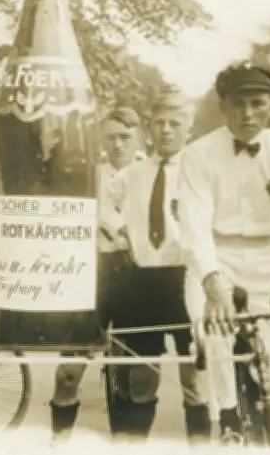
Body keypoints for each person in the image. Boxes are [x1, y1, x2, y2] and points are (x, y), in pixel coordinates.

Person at [179, 61, 270, 444]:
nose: (248, 113)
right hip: (215, 260)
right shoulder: (198, 155)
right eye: (238, 104)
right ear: (223, 107)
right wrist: (213, 285)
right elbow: (193, 223)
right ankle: (227, 432)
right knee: (218, 362)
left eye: (258, 103)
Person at [104, 91, 209, 443]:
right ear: (148, 128)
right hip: (144, 281)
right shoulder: (133, 173)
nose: (166, 131)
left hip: (185, 279)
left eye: (175, 124)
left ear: (189, 129)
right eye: (159, 123)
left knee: (193, 375)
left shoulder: (200, 170)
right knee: (141, 376)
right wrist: (120, 231)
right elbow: (103, 205)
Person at [49, 106, 143, 442]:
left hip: (136, 279)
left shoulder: (150, 173)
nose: (118, 145)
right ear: (101, 139)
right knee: (69, 373)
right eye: (111, 137)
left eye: (125, 137)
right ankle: (57, 442)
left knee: (131, 375)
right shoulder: (88, 174)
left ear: (138, 137)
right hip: (92, 277)